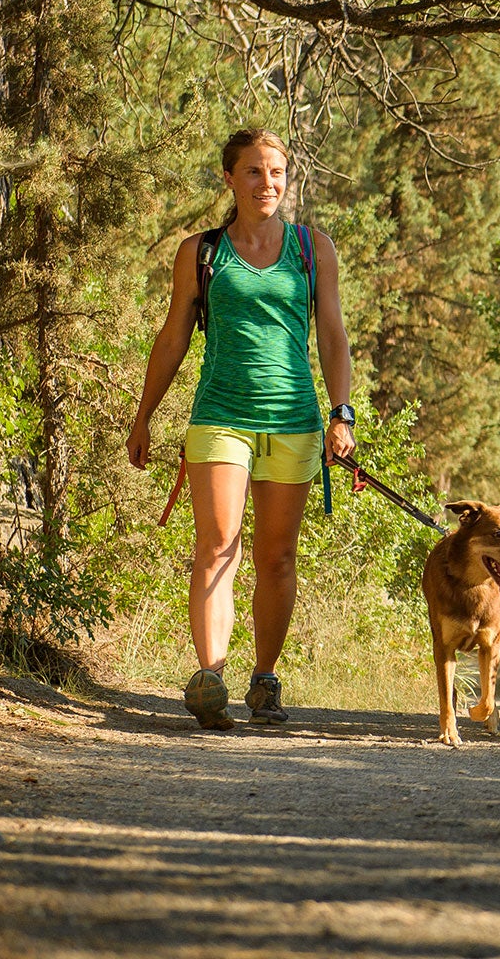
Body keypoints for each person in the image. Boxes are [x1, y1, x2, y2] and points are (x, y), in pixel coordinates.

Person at [127, 129, 357, 729]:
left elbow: (332, 335)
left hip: (294, 420)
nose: (267, 183)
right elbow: (174, 335)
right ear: (229, 179)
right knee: (218, 542)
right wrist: (145, 413)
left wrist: (342, 412)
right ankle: (211, 678)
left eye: (276, 172)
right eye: (253, 172)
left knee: (277, 557)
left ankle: (263, 680)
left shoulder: (313, 249)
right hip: (220, 415)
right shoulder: (200, 252)